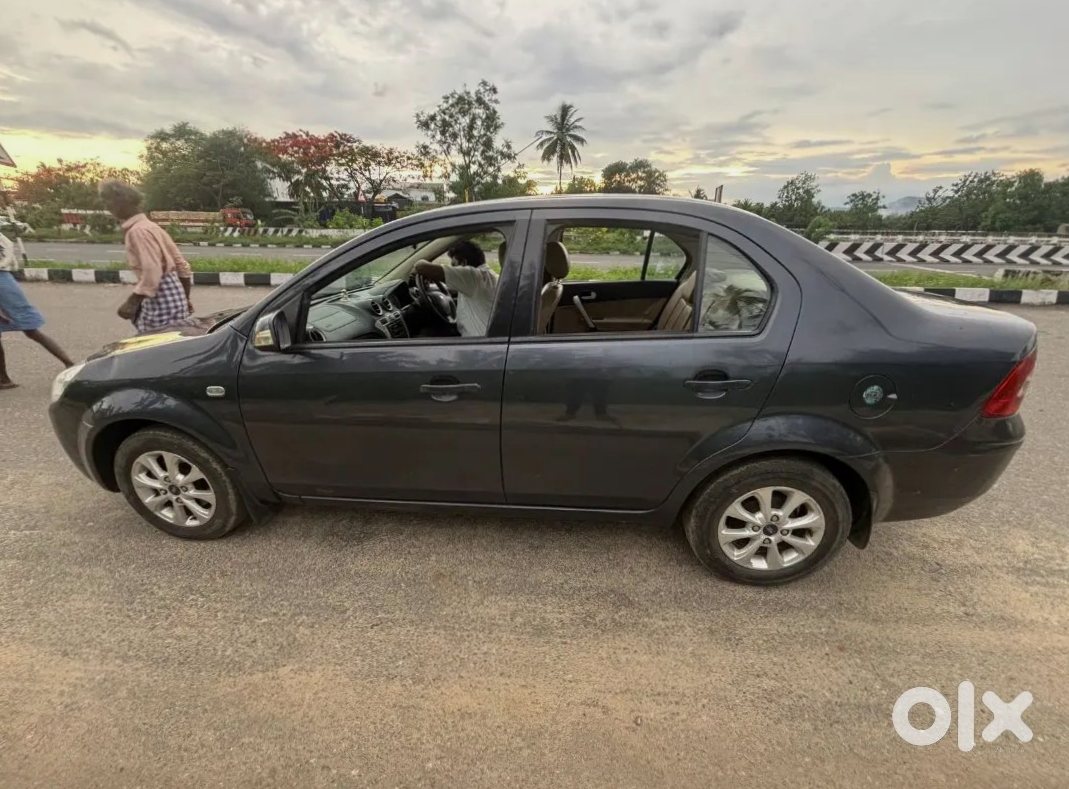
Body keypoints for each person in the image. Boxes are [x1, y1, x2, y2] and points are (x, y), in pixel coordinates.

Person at [98, 180, 194, 334]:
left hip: (160, 298)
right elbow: (182, 266)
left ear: (124, 201)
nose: (106, 206)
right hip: (175, 296)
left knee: (151, 346)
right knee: (171, 345)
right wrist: (185, 298)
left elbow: (152, 271)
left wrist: (132, 302)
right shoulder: (152, 227)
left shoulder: (138, 231)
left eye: (108, 200)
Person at [0, 229, 74, 389]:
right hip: (5, 279)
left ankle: (70, 363)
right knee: (31, 329)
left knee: (31, 329)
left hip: (3, 281)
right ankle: (3, 378)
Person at [413, 240, 498, 337]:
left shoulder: (472, 276)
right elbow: (452, 289)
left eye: (454, 265)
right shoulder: (487, 276)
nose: (453, 268)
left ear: (463, 263)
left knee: (424, 336)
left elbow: (421, 266)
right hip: (483, 340)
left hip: (476, 344)